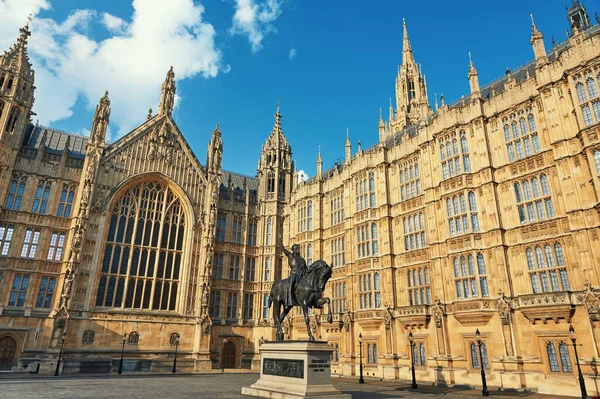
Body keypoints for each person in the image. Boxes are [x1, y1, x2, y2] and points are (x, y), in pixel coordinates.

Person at [281, 238, 308, 307]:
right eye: (298, 248)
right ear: (294, 250)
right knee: (292, 282)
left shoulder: (302, 259)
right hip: (294, 273)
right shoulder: (291, 256)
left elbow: (306, 269)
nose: (299, 250)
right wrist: (280, 240)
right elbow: (283, 249)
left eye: (299, 248)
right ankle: (289, 299)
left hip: (302, 275)